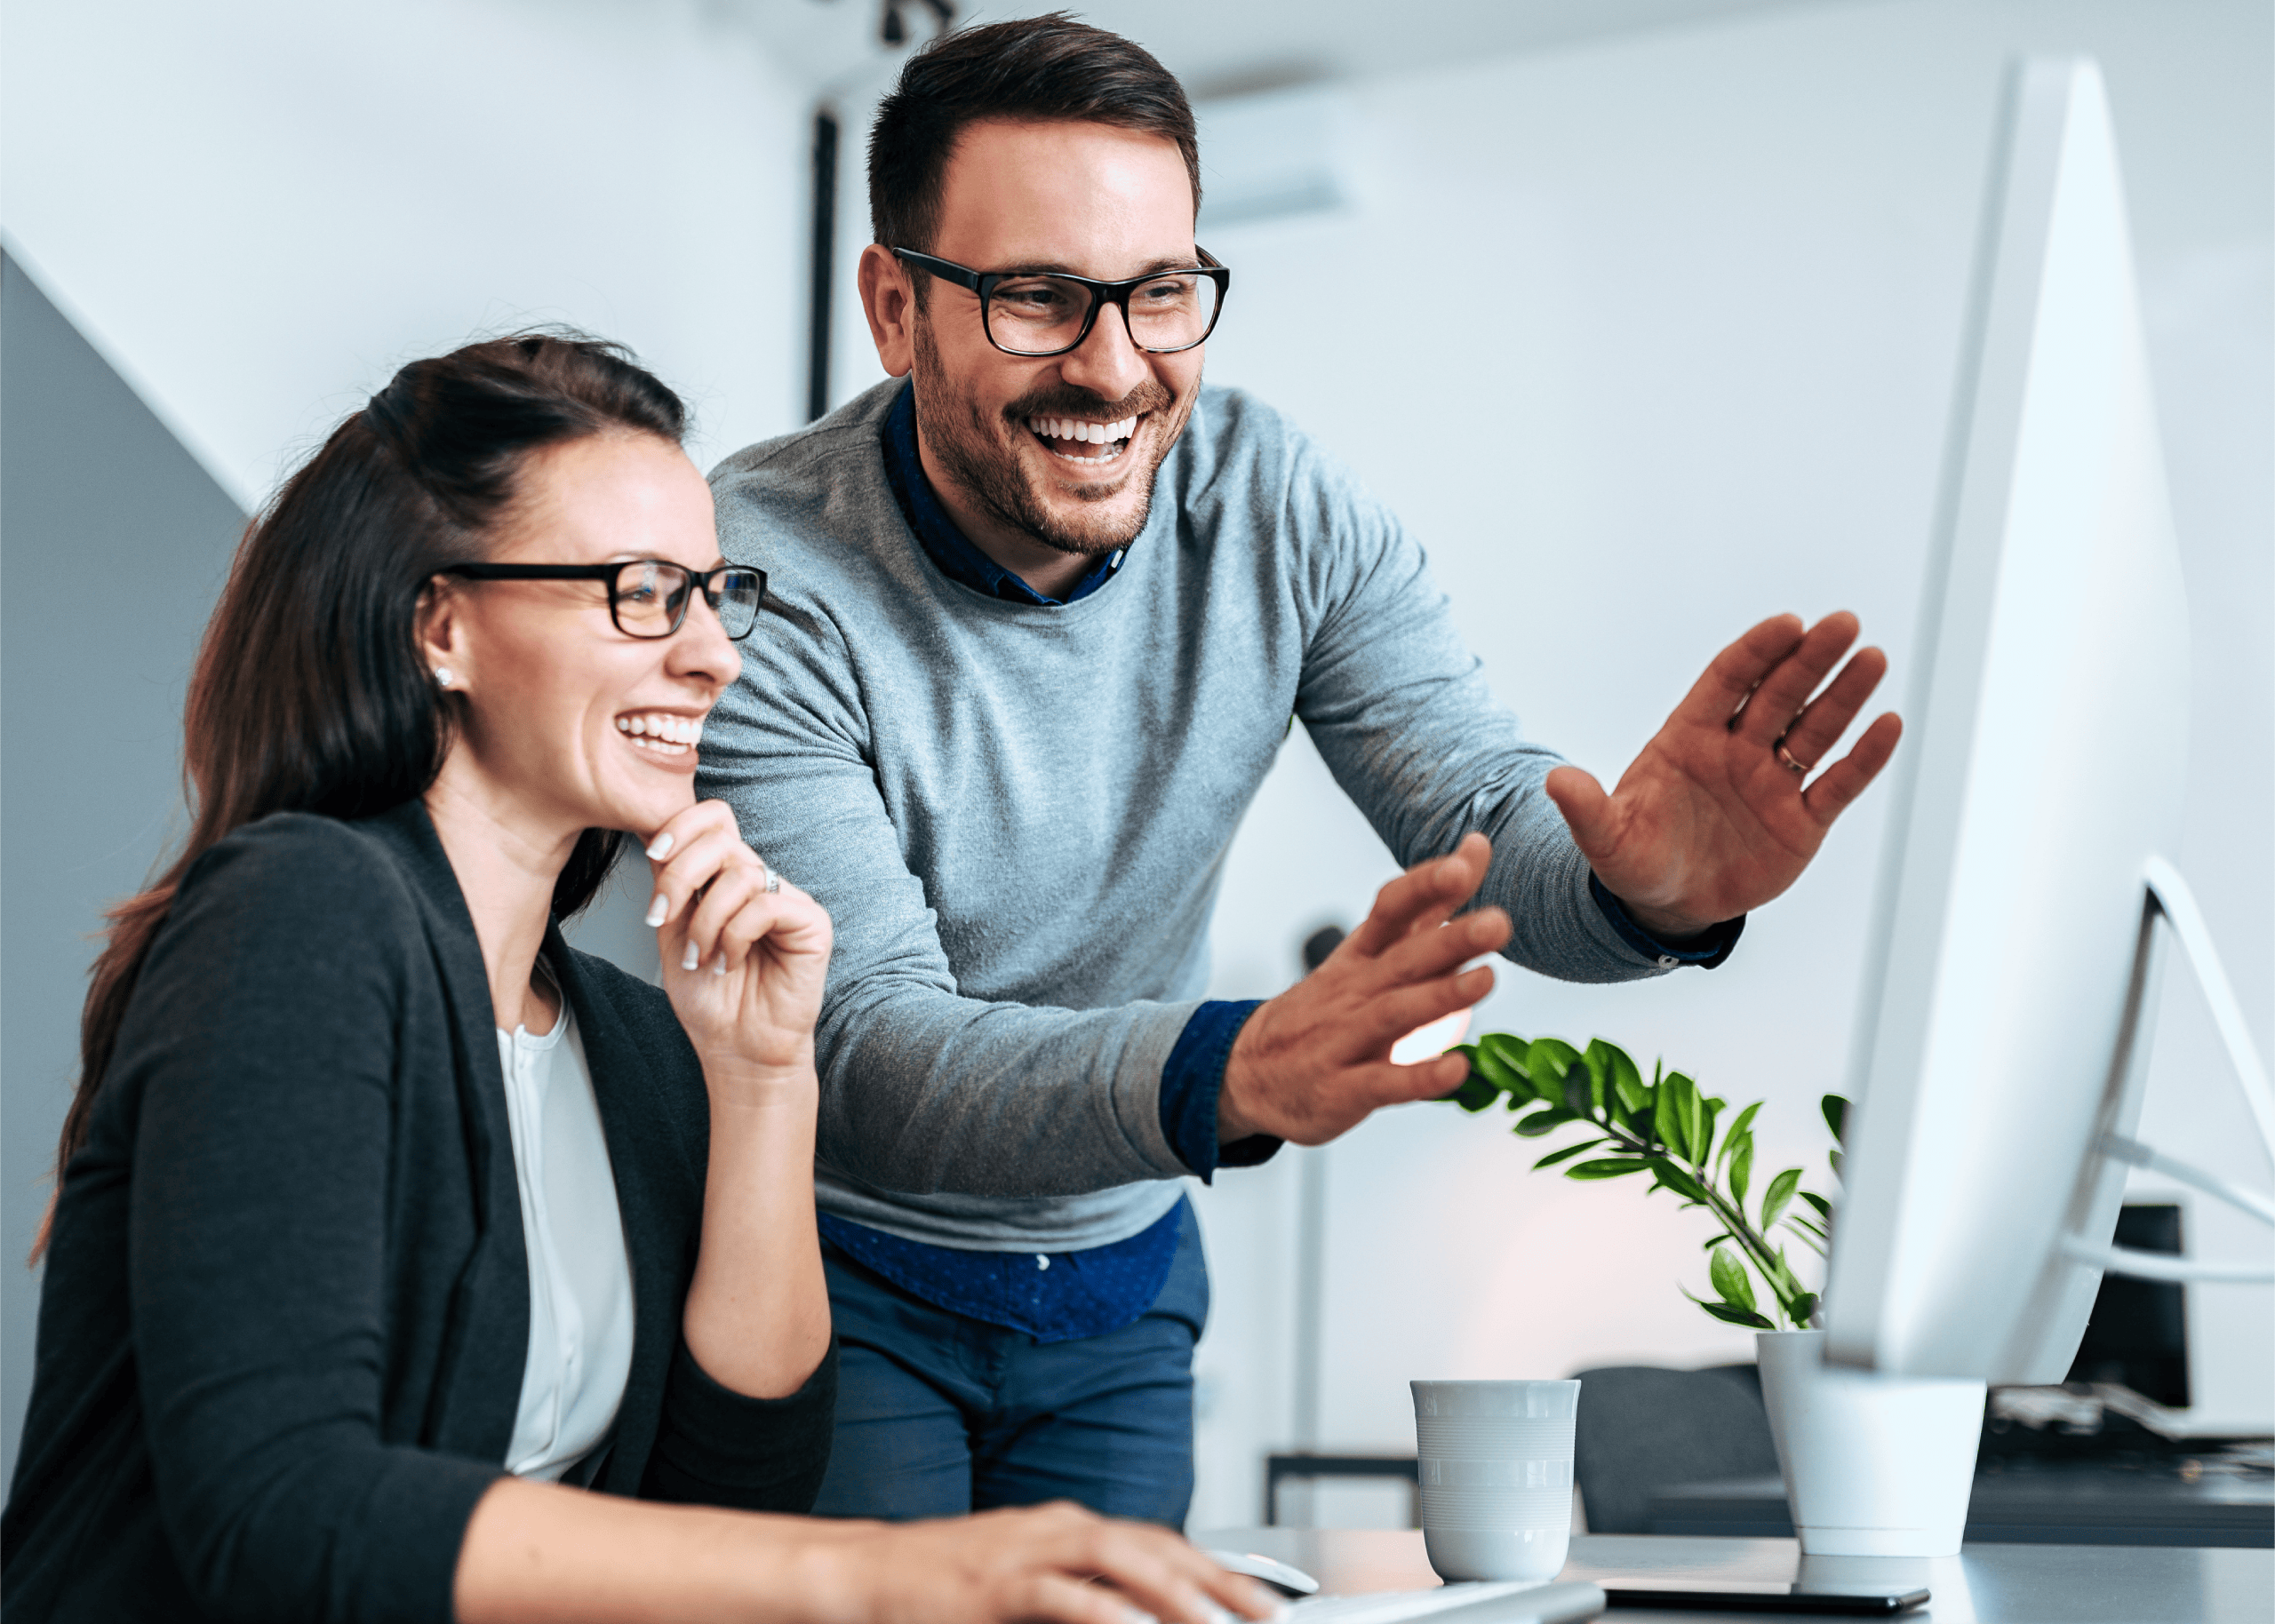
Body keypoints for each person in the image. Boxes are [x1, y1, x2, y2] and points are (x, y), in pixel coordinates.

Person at [700, 16, 1902, 1526]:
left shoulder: (1275, 505)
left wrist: (1634, 893)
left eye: (1159, 295)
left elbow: (1476, 809)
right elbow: (866, 1053)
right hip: (836, 1272)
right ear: (894, 307)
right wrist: (1229, 1067)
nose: (1114, 366)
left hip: (1123, 1284)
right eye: (1035, 300)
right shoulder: (755, 579)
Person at [0, 334, 1279, 1624]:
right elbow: (286, 1508)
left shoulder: (631, 1046)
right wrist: (886, 1574)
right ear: (440, 623)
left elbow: (732, 1505)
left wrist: (767, 1078)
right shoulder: (304, 912)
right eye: (643, 591)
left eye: (719, 595)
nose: (716, 656)